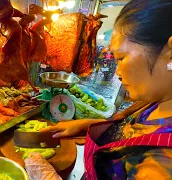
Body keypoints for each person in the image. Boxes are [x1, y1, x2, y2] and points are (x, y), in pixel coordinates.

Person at [41, 0, 172, 179]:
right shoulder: (156, 102)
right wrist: (85, 126)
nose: (117, 72)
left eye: (121, 57)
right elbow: (127, 133)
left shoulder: (161, 165)